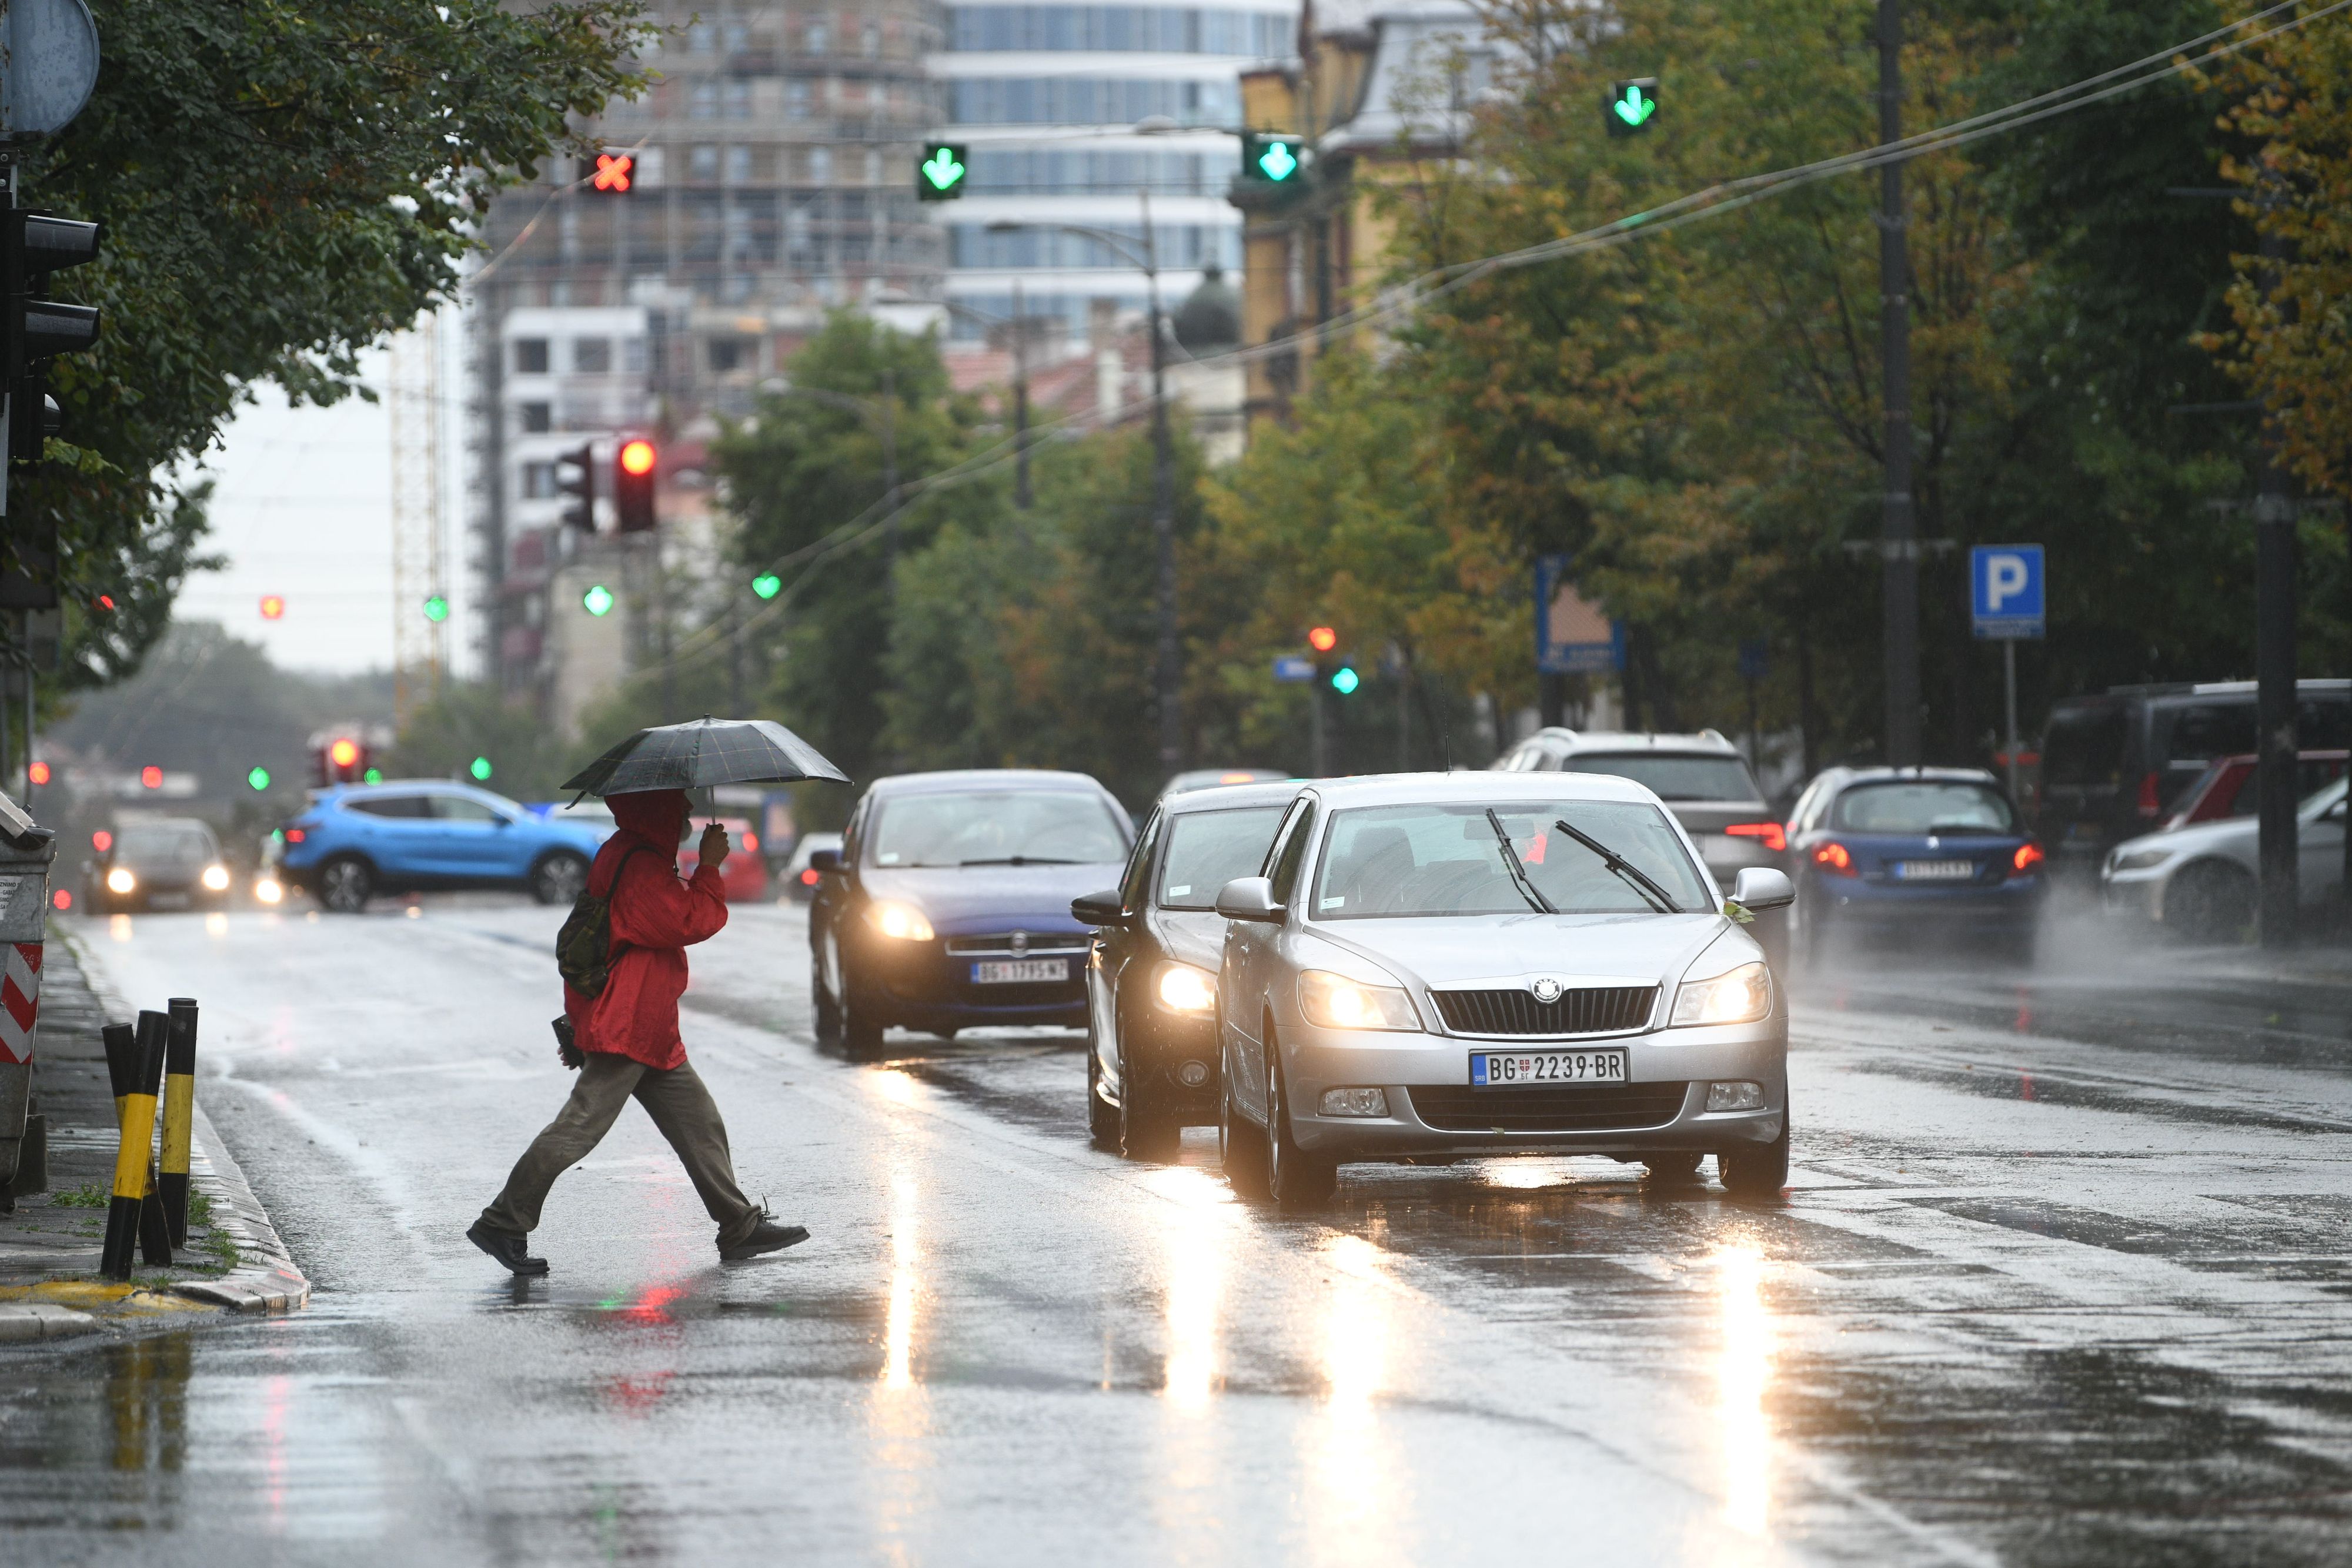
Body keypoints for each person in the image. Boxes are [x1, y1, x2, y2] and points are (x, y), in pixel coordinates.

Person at [468, 787, 806, 1274]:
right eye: (680, 805)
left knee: (699, 1123)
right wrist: (708, 867)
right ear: (658, 810)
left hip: (648, 1024)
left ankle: (738, 1224)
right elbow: (691, 919)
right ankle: (503, 1220)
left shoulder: (632, 853)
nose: (689, 810)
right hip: (630, 1024)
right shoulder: (642, 865)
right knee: (580, 1126)